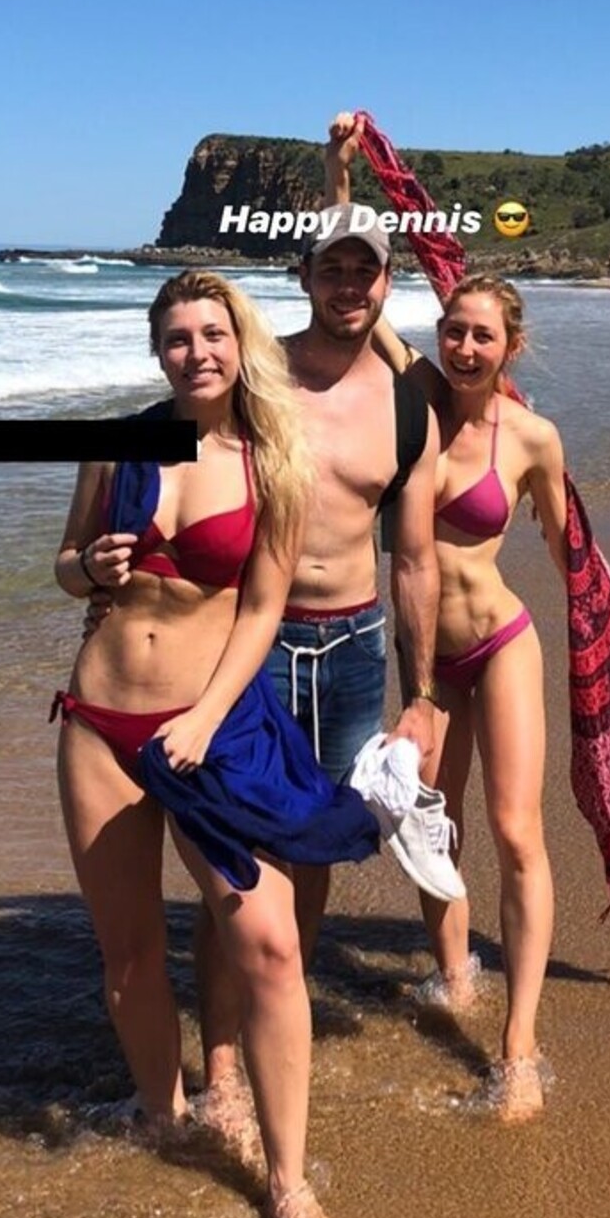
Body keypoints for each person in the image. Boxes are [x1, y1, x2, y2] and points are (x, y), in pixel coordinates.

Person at [53, 269, 379, 1218]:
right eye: (177, 336)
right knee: (129, 955)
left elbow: (264, 607)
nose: (196, 350)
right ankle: (168, 1119)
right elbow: (63, 561)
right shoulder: (118, 443)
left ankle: (288, 1182)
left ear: (240, 343)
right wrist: (90, 570)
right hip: (101, 724)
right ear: (157, 350)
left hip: (210, 725)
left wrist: (201, 717)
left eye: (213, 332)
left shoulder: (274, 458)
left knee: (269, 945)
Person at [194, 116, 443, 1125]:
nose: (349, 283)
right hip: (253, 642)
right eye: (331, 267)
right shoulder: (258, 379)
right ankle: (220, 1064)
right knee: (234, 855)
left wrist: (423, 696)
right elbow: (174, 443)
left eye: (365, 270)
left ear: (385, 284)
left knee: (313, 846)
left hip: (354, 650)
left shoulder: (410, 402)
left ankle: (281, 1018)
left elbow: (414, 557)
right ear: (302, 276)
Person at [373, 272, 569, 1123]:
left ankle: (518, 1048)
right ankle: (455, 973)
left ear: (510, 347)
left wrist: (607, 638)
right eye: (454, 329)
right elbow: (361, 312)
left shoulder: (532, 438)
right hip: (427, 659)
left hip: (500, 644)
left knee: (516, 829)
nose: (465, 347)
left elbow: (567, 545)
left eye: (483, 335)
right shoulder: (416, 394)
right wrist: (339, 196)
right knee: (431, 827)